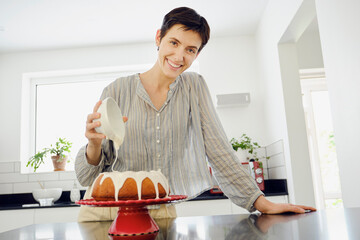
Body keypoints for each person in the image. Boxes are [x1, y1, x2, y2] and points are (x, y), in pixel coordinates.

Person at [75, 6, 316, 221]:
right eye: (173, 43)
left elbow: (219, 151)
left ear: (197, 54)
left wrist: (261, 203)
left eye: (190, 49)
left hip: (161, 211)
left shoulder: (194, 87)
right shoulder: (117, 90)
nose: (179, 57)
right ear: (159, 38)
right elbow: (88, 176)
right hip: (108, 212)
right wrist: (93, 145)